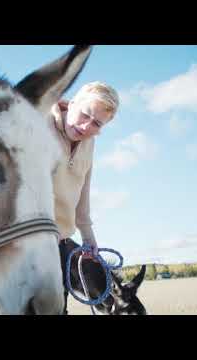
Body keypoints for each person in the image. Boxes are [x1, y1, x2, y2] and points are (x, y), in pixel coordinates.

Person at [50, 81, 119, 314]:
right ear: (73, 103)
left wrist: (88, 238)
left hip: (58, 242)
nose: (86, 126)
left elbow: (83, 194)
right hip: (22, 238)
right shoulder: (37, 123)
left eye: (97, 124)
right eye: (85, 115)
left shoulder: (89, 144)